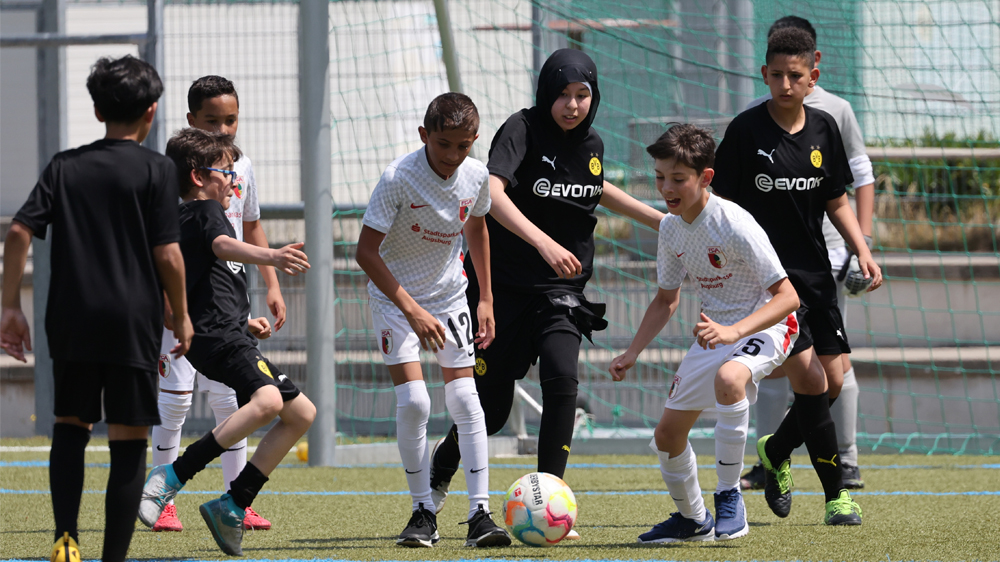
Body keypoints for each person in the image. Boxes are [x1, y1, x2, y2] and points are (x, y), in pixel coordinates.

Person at [429, 51, 664, 538]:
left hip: (561, 291)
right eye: (563, 94)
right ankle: (435, 483)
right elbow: (489, 193)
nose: (572, 105)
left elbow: (596, 189)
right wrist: (543, 242)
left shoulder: (593, 142)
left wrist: (665, 221)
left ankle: (550, 497)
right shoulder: (521, 128)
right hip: (505, 291)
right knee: (489, 412)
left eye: (582, 95)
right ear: (546, 93)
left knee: (563, 378)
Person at [0, 55, 190, 562]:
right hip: (132, 321)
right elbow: (168, 253)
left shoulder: (65, 165)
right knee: (129, 439)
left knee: (71, 424)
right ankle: (113, 559)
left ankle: (66, 541)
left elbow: (19, 230)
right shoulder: (156, 170)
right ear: (151, 112)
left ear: (97, 108)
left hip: (72, 318)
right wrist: (182, 311)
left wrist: (9, 306)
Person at [712, 27, 882, 526]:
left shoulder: (826, 128)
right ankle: (837, 498)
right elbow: (720, 205)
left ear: (813, 77)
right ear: (764, 74)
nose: (785, 84)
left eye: (796, 75)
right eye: (777, 75)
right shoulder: (745, 132)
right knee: (811, 379)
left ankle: (776, 450)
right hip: (769, 282)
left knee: (833, 379)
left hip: (815, 275)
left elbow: (835, 198)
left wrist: (861, 247)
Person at [610, 124, 800, 542]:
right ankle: (694, 519)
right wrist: (632, 352)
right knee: (667, 436)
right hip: (716, 333)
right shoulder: (671, 229)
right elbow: (666, 300)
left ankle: (730, 498)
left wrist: (735, 330)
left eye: (678, 179)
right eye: (660, 177)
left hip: (766, 324)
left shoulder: (733, 222)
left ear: (705, 177)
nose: (666, 188)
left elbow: (788, 298)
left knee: (730, 378)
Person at [137, 128, 315, 555]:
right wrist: (272, 255)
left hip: (223, 334)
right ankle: (173, 475)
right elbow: (222, 245)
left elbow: (203, 285)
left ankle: (233, 504)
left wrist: (245, 323)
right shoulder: (204, 212)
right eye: (226, 173)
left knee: (300, 413)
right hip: (216, 338)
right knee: (269, 402)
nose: (233, 181)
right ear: (198, 176)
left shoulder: (188, 219)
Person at [355, 92, 510, 548]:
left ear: (474, 141)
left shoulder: (477, 175)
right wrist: (411, 309)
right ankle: (423, 511)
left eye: (463, 146)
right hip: (395, 300)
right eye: (443, 145)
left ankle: (480, 514)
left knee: (465, 398)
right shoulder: (398, 178)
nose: (452, 156)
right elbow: (365, 252)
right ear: (425, 136)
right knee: (417, 403)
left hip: (449, 297)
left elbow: (477, 227)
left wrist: (487, 298)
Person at [151, 75, 282, 532]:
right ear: (192, 121)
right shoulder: (180, 175)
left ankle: (235, 500)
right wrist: (169, 300)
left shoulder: (240, 168)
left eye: (231, 120)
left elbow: (251, 225)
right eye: (213, 121)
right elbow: (168, 243)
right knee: (176, 402)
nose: (225, 129)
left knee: (233, 401)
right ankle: (162, 498)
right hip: (185, 305)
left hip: (225, 303)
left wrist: (272, 284)